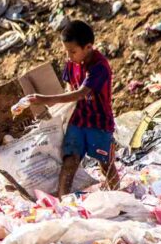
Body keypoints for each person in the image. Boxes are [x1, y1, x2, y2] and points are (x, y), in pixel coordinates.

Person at [12, 19, 118, 196]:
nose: (69, 56)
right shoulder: (72, 63)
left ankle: (118, 196)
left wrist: (42, 99)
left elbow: (80, 93)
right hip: (78, 120)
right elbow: (70, 89)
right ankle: (63, 201)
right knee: (70, 160)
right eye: (66, 51)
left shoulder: (99, 67)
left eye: (73, 51)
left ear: (88, 47)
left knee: (105, 163)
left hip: (99, 123)